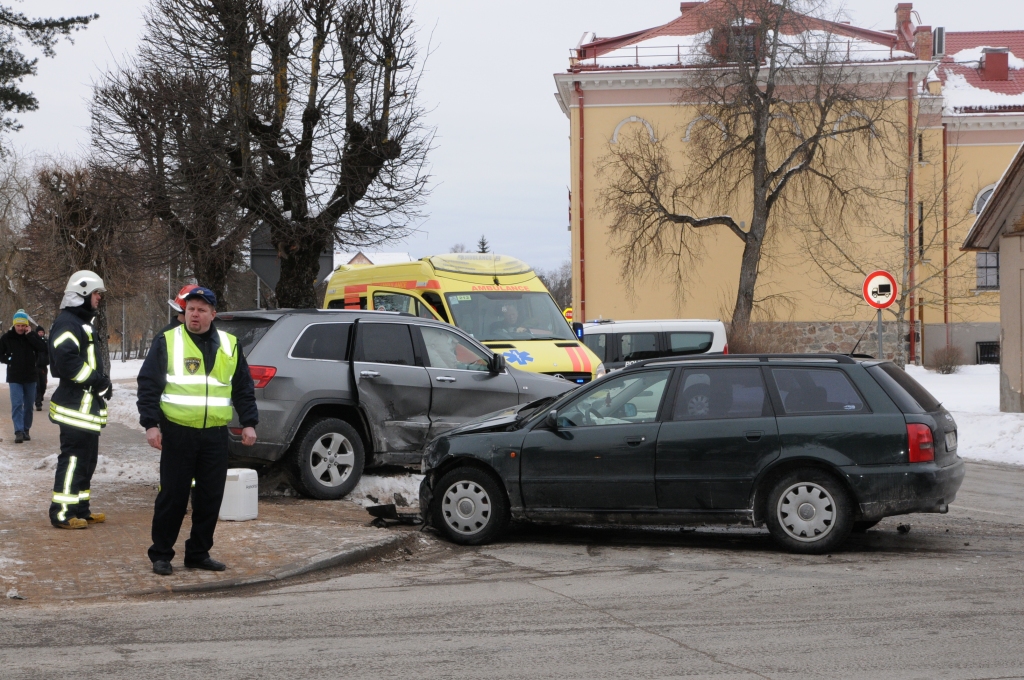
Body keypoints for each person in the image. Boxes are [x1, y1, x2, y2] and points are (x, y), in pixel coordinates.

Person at [137, 287, 258, 576]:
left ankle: (198, 553)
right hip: (178, 432)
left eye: (202, 309)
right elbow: (149, 384)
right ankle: (161, 554)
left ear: (213, 315)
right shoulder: (168, 340)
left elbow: (243, 387)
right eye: (191, 308)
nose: (195, 314)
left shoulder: (230, 344)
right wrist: (151, 424)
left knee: (210, 498)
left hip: (215, 434)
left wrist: (250, 422)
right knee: (173, 496)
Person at [48, 272, 112, 530]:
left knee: (87, 461)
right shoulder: (67, 323)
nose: (99, 298)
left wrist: (100, 383)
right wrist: (97, 381)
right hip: (75, 407)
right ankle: (62, 513)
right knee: (73, 461)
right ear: (82, 294)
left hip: (84, 408)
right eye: (96, 293)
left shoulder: (81, 323)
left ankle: (81, 509)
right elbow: (66, 362)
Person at [0, 310, 47, 443]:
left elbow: (43, 347)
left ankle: (26, 429)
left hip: (31, 377)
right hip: (14, 377)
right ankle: (18, 431)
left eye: (23, 325)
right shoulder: (7, 338)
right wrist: (9, 359)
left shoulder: (31, 336)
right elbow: (0, 353)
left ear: (26, 325)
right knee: (16, 404)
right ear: (14, 325)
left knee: (28, 406)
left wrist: (31, 335)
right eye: (18, 325)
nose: (20, 328)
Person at [35, 325, 48, 411]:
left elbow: (49, 353)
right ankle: (38, 402)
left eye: (42, 332)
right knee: (37, 386)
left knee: (43, 385)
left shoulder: (46, 342)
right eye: (39, 332)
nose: (41, 334)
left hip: (43, 367)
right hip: (35, 367)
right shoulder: (33, 342)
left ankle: (40, 397)